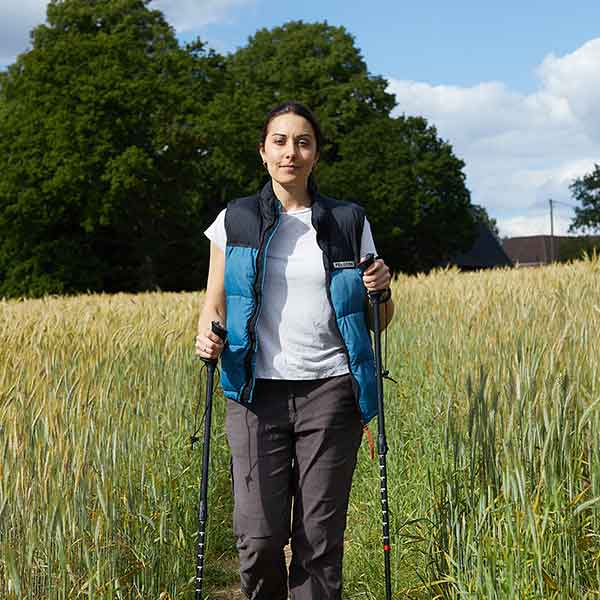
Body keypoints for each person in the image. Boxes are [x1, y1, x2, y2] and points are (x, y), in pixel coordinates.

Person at [196, 100, 394, 600]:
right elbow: (213, 300)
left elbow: (379, 323)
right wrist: (207, 335)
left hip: (330, 391)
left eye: (303, 142)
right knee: (258, 538)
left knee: (319, 540)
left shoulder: (348, 221)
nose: (291, 152)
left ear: (316, 155)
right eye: (280, 141)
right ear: (263, 151)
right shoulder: (234, 219)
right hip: (252, 391)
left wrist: (383, 291)